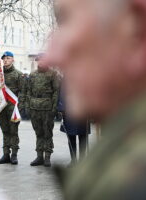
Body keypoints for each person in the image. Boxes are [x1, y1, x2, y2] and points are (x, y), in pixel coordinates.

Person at [44, 0, 146, 199]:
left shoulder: (133, 184)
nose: (52, 56)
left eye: (67, 21)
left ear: (136, 32)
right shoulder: (122, 152)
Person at [27, 53, 60, 167]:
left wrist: (54, 107)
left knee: (47, 133)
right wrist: (28, 106)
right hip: (35, 107)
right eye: (39, 61)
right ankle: (39, 156)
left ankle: (47, 157)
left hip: (47, 107)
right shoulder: (32, 75)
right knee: (38, 133)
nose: (41, 62)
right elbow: (28, 92)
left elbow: (56, 92)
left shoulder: (53, 74)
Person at [0, 51, 25, 165]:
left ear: (13, 59)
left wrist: (20, 106)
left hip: (13, 107)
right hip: (1, 107)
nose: (6, 60)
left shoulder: (18, 74)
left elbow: (23, 91)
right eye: (4, 59)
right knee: (5, 131)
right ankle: (5, 154)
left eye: (8, 58)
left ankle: (14, 155)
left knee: (13, 131)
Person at [58, 84, 90, 167]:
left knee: (83, 136)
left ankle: (82, 160)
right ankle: (73, 160)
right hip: (69, 110)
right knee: (71, 136)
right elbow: (62, 92)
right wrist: (61, 108)